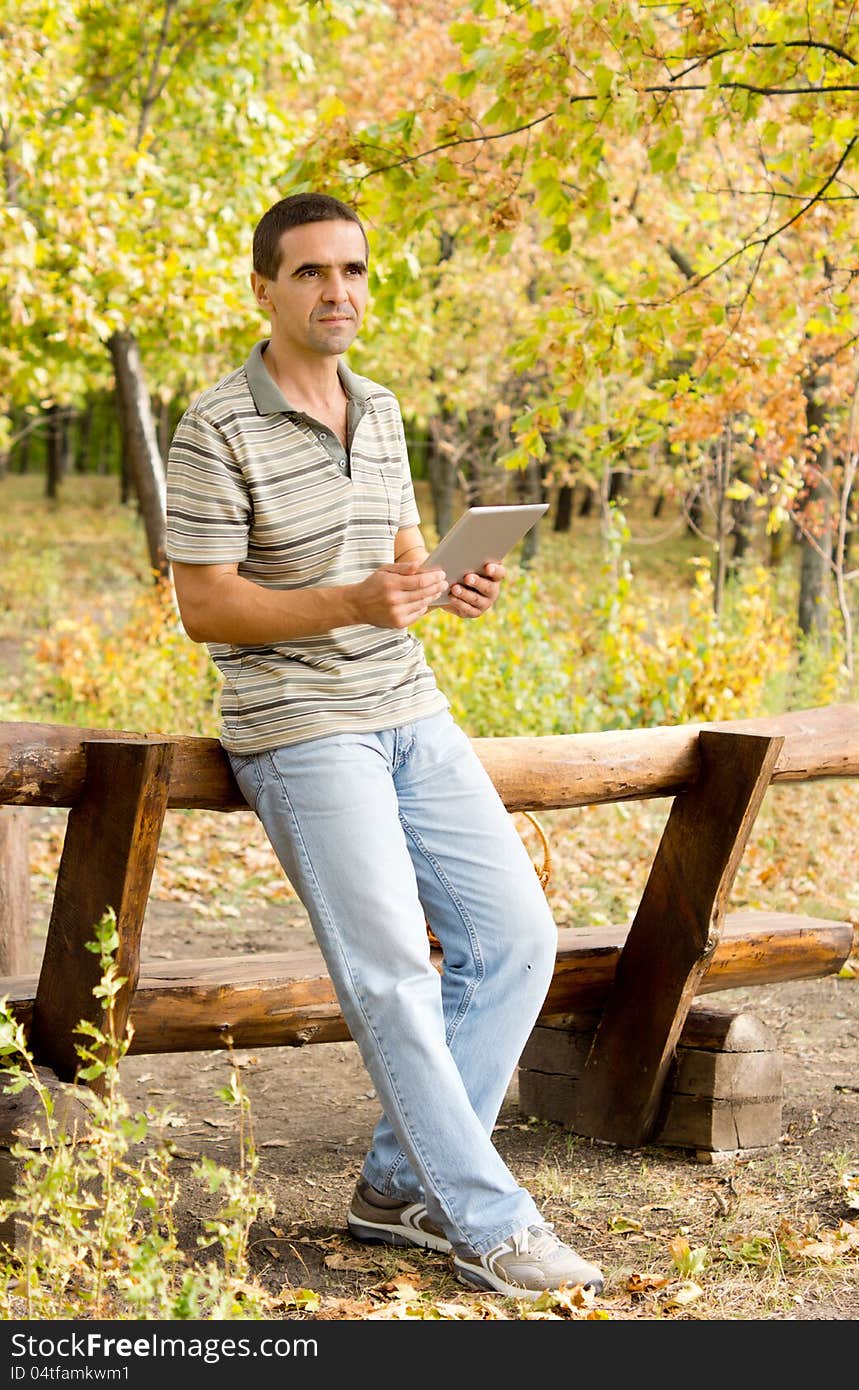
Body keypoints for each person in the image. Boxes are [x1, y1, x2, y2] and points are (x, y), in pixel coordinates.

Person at [165, 191, 604, 1302]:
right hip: (304, 730)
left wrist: (442, 581)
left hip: (409, 707)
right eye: (310, 273)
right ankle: (487, 1220)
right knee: (394, 975)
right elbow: (206, 608)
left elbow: (396, 562)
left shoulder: (383, 407)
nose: (336, 293)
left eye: (352, 271)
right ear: (264, 288)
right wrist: (352, 600)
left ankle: (400, 1184)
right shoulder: (215, 424)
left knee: (516, 940)